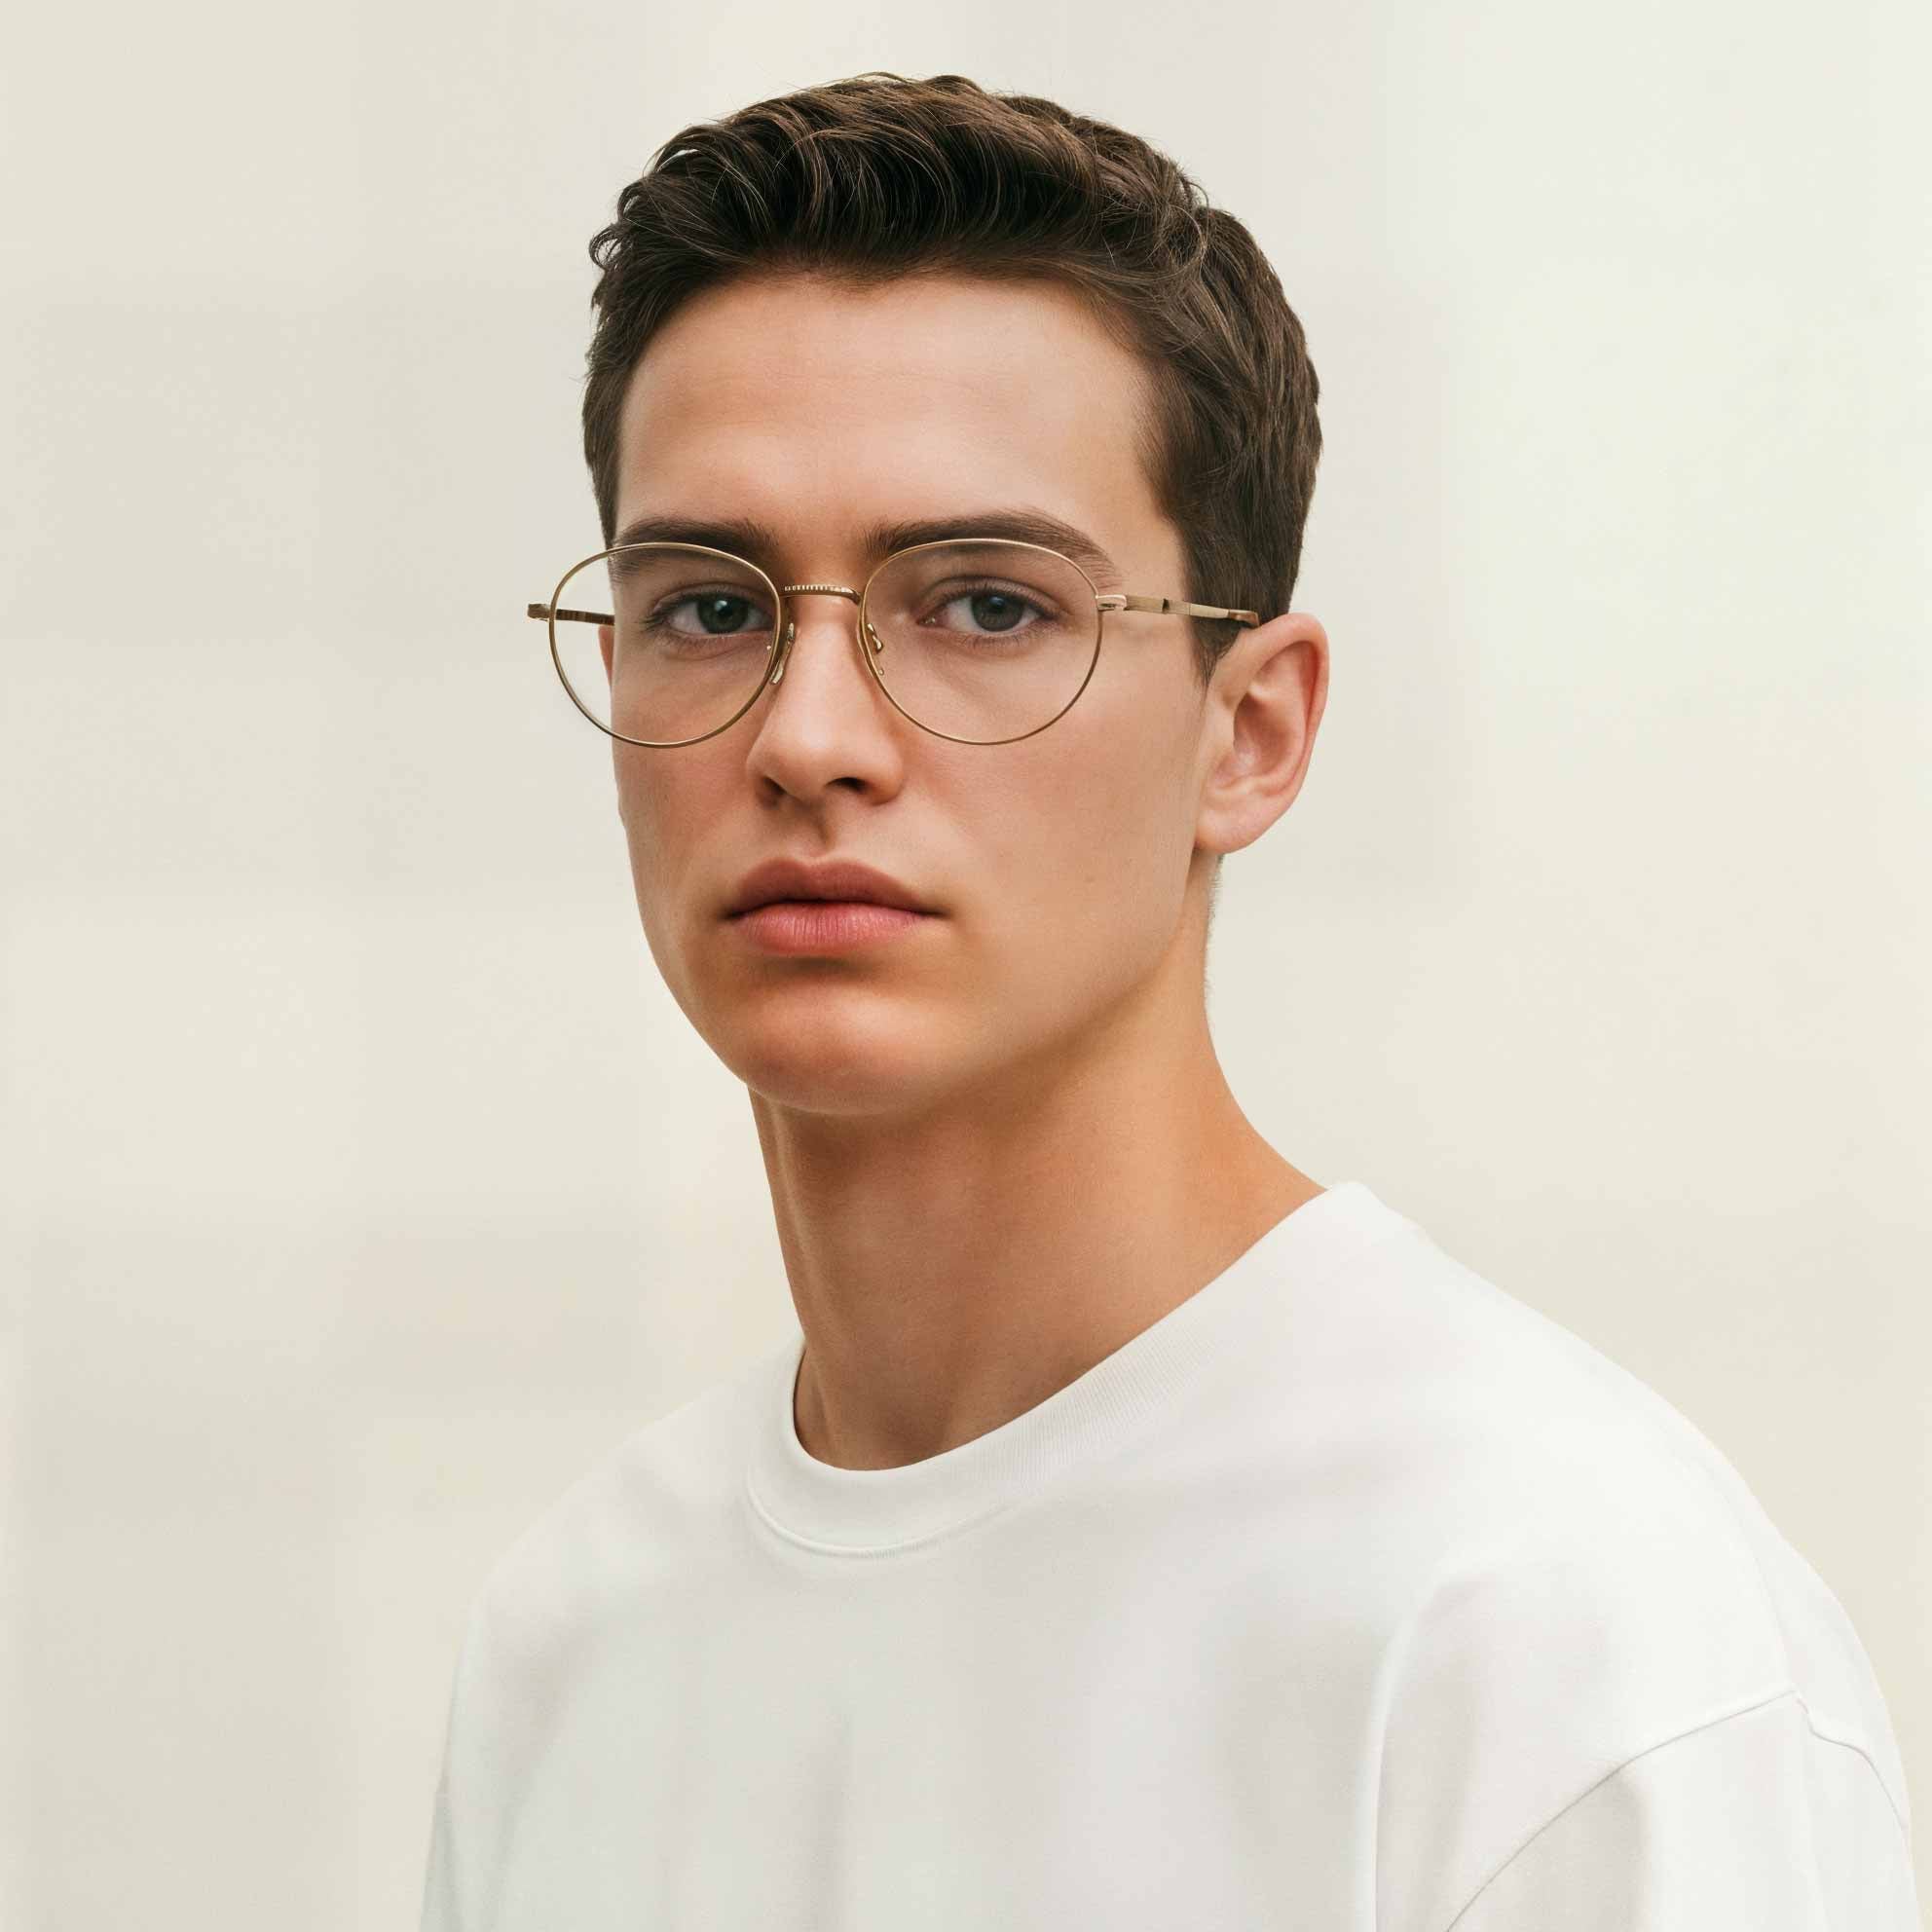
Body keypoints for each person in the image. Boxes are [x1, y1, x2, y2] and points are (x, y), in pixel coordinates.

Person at [419, 72, 1918, 1929]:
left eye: (985, 606)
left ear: (1251, 732)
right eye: (711, 607)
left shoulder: (1551, 1626)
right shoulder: (576, 1642)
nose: (807, 739)